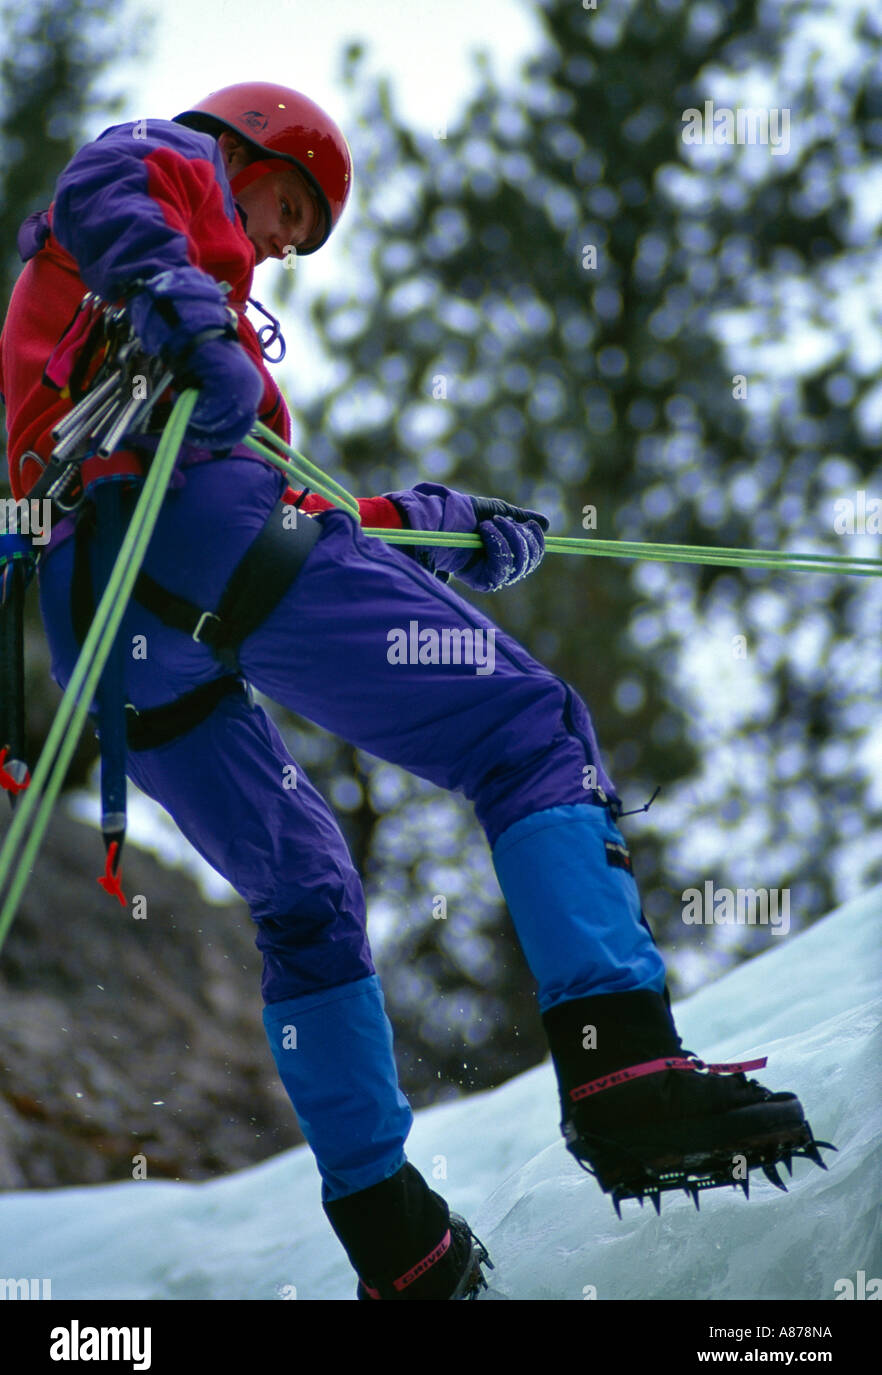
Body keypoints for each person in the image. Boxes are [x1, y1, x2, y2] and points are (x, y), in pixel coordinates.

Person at [0, 81, 823, 1301]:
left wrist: (437, 527)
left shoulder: (195, 352)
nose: (282, 242)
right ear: (242, 148)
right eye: (288, 206)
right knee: (525, 728)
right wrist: (187, 308)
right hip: (177, 530)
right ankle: (622, 1063)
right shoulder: (160, 171)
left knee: (308, 889)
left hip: (106, 634)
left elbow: (299, 521)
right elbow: (108, 189)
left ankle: (397, 1240)